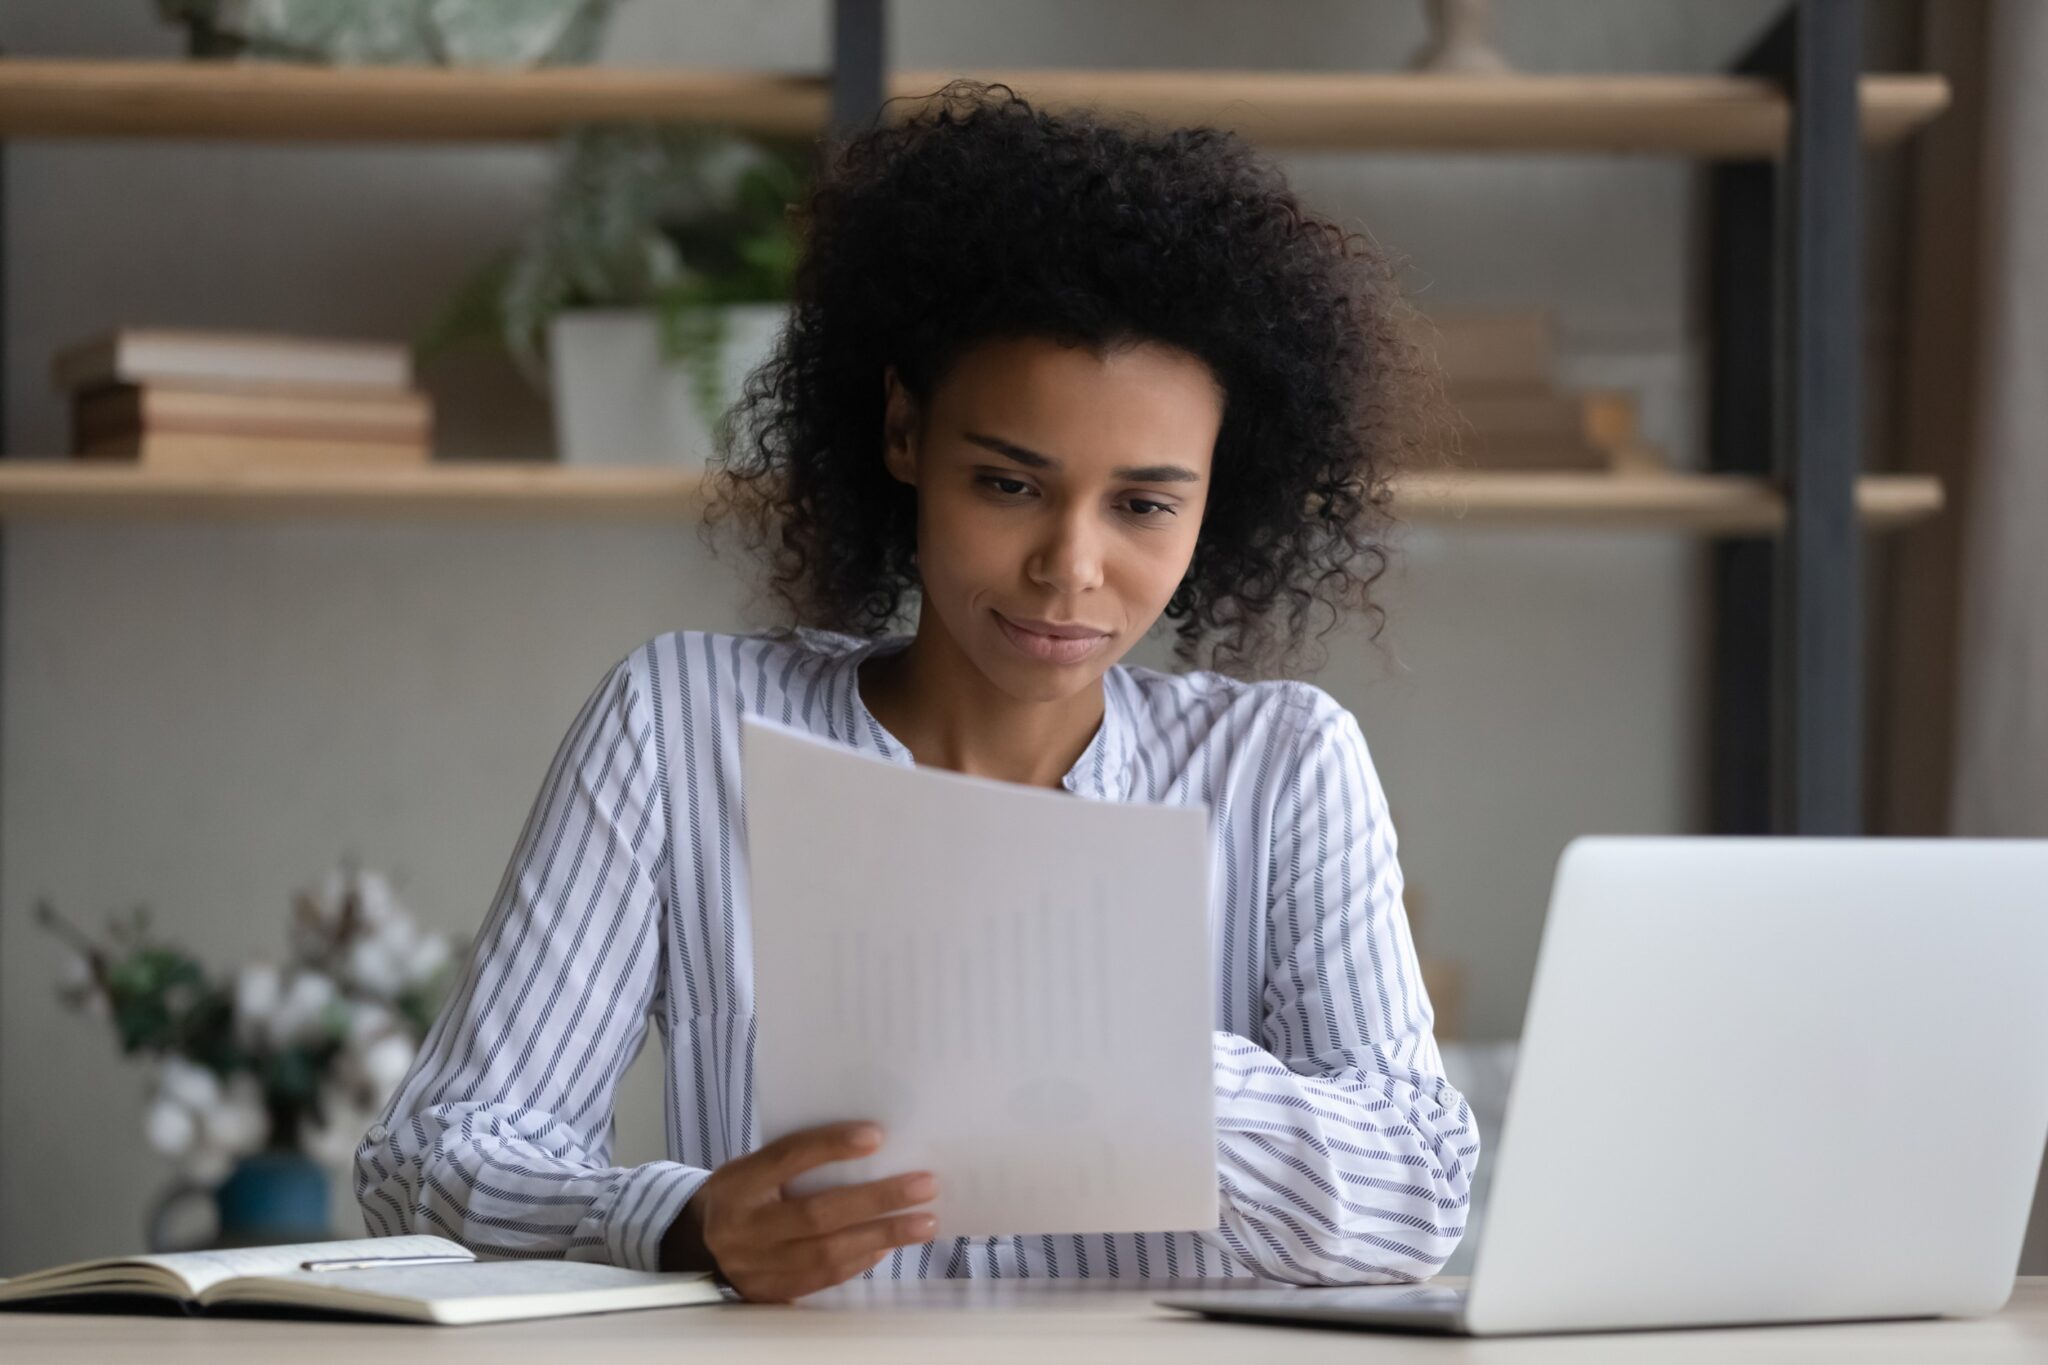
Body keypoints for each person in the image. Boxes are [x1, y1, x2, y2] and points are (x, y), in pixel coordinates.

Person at [355, 80, 1477, 1304]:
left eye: (1145, 505)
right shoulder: (680, 726)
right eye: (1007, 485)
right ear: (902, 433)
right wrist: (678, 1224)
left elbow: (1413, 1195)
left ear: (1217, 496)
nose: (1070, 566)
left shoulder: (1282, 765)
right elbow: (432, 1156)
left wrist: (1125, 1057)